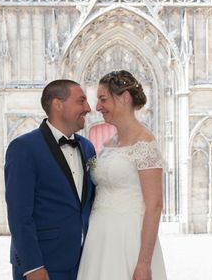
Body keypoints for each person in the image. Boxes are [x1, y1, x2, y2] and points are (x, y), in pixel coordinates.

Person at [76, 70, 167, 280]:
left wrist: (144, 263)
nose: (97, 107)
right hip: (98, 238)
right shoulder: (108, 145)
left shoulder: (145, 143)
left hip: (129, 238)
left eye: (103, 99)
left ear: (124, 98)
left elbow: (154, 205)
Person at [5, 79, 96, 280]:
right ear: (58, 104)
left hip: (84, 263)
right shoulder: (23, 148)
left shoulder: (87, 148)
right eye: (81, 101)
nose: (88, 108)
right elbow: (19, 214)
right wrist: (32, 266)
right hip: (43, 265)